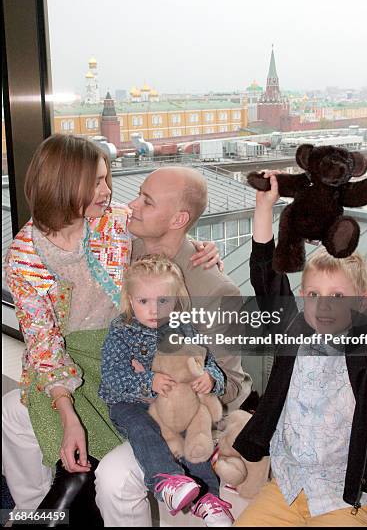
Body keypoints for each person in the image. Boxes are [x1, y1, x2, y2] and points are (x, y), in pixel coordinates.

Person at [2, 134, 220, 516]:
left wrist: (202, 246)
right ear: (65, 185)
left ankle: (59, 496)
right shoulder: (24, 256)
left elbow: (165, 232)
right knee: (13, 411)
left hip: (125, 349)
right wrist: (66, 412)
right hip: (70, 356)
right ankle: (33, 509)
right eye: (97, 182)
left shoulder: (112, 222)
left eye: (107, 179)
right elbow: (43, 342)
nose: (108, 191)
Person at [232, 171, 367, 527]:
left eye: (338, 296)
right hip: (287, 488)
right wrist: (264, 208)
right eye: (313, 295)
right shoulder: (293, 335)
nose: (323, 306)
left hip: (346, 497)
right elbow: (267, 278)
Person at [94, 166, 253, 526]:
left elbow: (236, 384)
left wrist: (193, 385)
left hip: (176, 417)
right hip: (117, 388)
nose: (132, 205)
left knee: (115, 478)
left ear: (179, 218)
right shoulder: (119, 249)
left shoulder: (214, 289)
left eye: (146, 201)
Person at [99, 255, 234, 526]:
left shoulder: (184, 329)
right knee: (142, 428)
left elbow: (209, 364)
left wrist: (210, 379)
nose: (154, 310)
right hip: (131, 403)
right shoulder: (121, 331)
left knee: (194, 434)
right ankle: (166, 480)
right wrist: (148, 381)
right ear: (130, 299)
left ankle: (208, 498)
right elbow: (111, 380)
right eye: (144, 301)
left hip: (175, 404)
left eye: (163, 301)